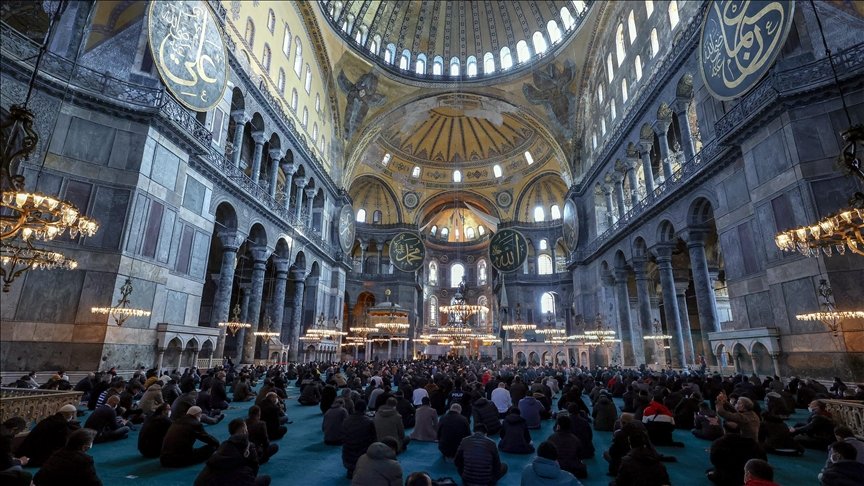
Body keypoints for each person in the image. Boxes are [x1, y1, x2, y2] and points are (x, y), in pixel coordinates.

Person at [193, 418, 271, 486]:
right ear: (244, 429)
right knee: (266, 479)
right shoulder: (248, 446)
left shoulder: (223, 446)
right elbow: (253, 470)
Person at [32, 428, 102, 486]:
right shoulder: (84, 460)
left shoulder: (58, 453)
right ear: (85, 447)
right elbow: (94, 483)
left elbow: (38, 477)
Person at [342, 400, 378, 480]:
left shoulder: (346, 421)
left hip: (348, 455)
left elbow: (343, 437)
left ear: (354, 408)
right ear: (365, 410)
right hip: (363, 454)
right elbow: (374, 440)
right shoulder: (369, 422)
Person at [546, 415, 587, 479]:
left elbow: (548, 455)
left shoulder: (551, 438)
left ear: (558, 426)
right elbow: (580, 456)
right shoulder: (575, 439)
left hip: (556, 466)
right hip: (571, 467)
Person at [0, 417, 30, 486]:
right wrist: (20, 461)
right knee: (18, 469)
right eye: (18, 432)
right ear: (14, 429)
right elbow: (6, 464)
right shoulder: (5, 439)